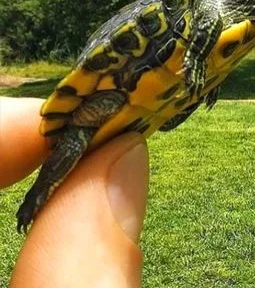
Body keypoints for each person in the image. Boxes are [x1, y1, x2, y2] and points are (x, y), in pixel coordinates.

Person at [0, 97, 149, 287]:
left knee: (75, 142)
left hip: (133, 105)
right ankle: (37, 194)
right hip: (98, 108)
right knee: (73, 143)